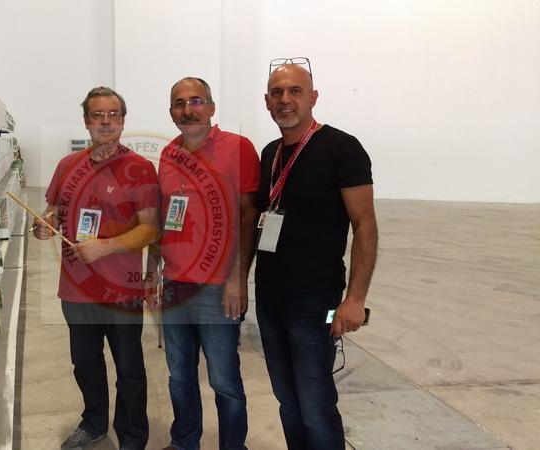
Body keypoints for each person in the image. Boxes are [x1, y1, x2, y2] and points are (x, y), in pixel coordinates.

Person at [254, 59, 379, 449]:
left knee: (315, 402)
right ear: (267, 101)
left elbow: (365, 226)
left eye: (295, 91)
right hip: (269, 295)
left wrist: (355, 299)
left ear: (313, 97)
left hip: (316, 300)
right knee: (286, 399)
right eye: (277, 93)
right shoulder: (270, 153)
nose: (285, 100)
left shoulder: (342, 148)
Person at [33, 86, 159, 450]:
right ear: (86, 121)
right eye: (98, 115)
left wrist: (106, 246)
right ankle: (93, 423)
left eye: (113, 114)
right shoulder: (67, 166)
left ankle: (132, 435)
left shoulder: (140, 169)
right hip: (76, 290)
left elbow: (150, 229)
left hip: (120, 291)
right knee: (85, 364)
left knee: (129, 369)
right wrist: (43, 226)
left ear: (123, 120)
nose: (106, 121)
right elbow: (53, 212)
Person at [147, 77, 260, 450]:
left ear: (211, 107)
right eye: (179, 103)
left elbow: (249, 216)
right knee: (179, 376)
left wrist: (237, 279)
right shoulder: (169, 154)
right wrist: (152, 272)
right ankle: (184, 443)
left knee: (223, 379)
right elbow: (164, 217)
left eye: (196, 101)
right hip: (175, 285)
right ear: (171, 113)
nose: (188, 109)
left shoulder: (238, 148)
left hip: (217, 287)